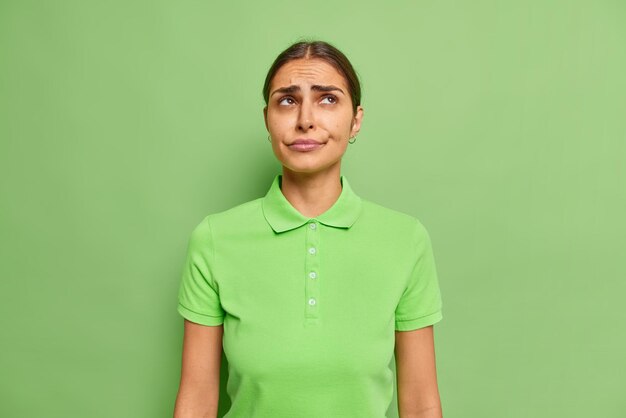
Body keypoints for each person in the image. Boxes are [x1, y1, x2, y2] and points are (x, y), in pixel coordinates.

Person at [173, 40, 444, 418]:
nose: (305, 119)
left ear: (356, 120)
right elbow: (198, 399)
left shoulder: (405, 239)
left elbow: (420, 403)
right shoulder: (215, 239)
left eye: (328, 99)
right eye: (287, 100)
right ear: (267, 118)